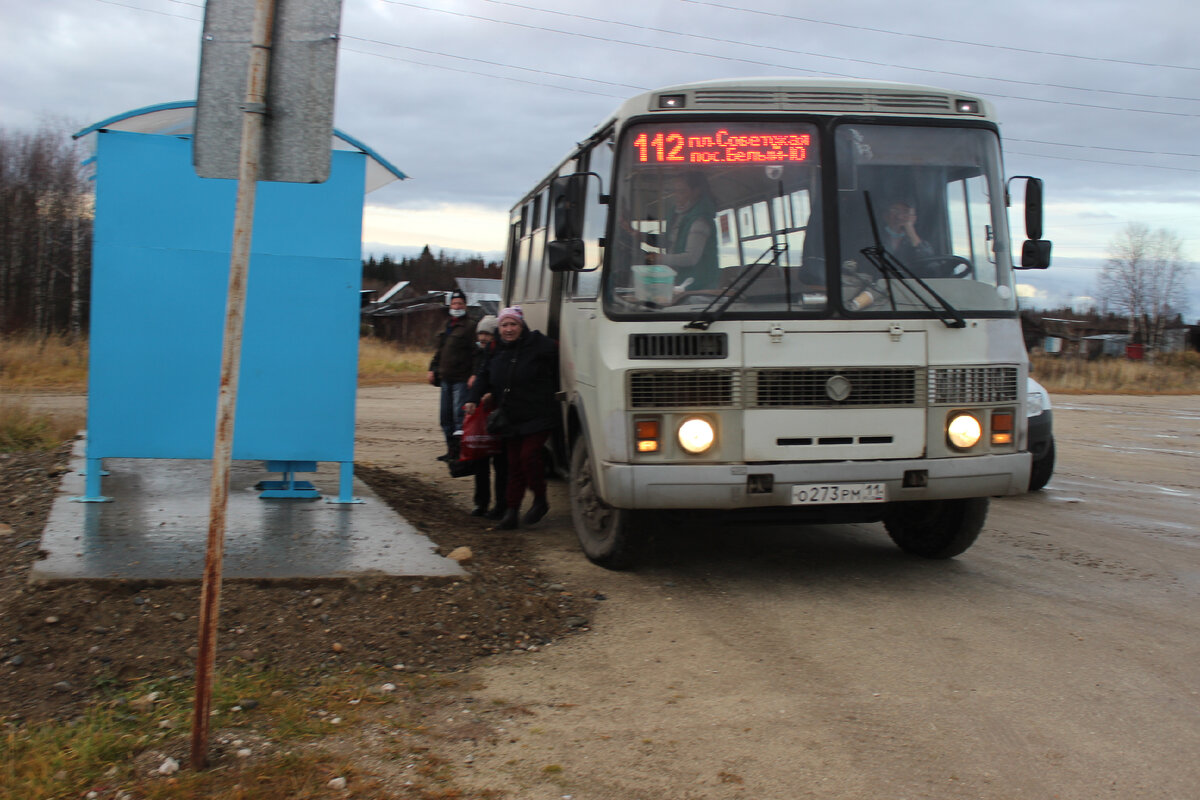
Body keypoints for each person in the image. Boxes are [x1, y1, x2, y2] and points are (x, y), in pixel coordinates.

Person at [463, 306, 559, 530]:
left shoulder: (538, 344)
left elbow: (563, 355)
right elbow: (483, 376)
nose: (508, 329)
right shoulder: (495, 349)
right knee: (513, 465)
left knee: (529, 457)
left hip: (538, 413)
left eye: (513, 324)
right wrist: (473, 398)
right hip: (511, 416)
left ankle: (540, 499)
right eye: (504, 325)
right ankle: (512, 512)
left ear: (521, 326)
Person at [639, 171, 719, 291]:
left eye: (681, 191)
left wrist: (657, 258)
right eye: (674, 191)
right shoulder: (679, 216)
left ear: (696, 192)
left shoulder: (700, 221)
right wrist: (639, 236)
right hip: (681, 284)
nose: (676, 195)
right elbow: (667, 240)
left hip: (699, 289)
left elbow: (691, 258)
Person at [427, 290, 476, 462]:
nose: (457, 307)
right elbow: (440, 351)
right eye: (454, 303)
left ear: (465, 306)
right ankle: (450, 450)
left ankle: (460, 453)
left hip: (461, 379)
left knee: (459, 418)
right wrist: (432, 368)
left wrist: (475, 374)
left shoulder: (471, 326)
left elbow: (477, 353)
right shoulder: (447, 325)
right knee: (445, 417)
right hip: (445, 379)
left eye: (460, 304)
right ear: (450, 305)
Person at [466, 316, 508, 519]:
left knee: (501, 463)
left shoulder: (502, 353)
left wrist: (492, 394)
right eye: (481, 333)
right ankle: (481, 503)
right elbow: (481, 377)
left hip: (499, 414)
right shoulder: (482, 353)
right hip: (483, 415)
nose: (483, 337)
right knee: (480, 461)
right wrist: (473, 398)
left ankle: (501, 505)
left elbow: (501, 379)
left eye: (487, 334)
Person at [881, 200, 934, 265]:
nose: (899, 217)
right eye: (894, 210)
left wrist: (911, 233)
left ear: (914, 219)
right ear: (885, 216)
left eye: (905, 212)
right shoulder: (873, 237)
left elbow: (928, 263)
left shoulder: (921, 242)